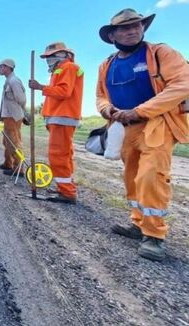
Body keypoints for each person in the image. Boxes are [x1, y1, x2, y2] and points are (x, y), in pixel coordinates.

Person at [96, 8, 189, 261]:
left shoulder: (161, 53)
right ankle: (138, 224)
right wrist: (109, 110)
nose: (132, 30)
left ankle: (155, 236)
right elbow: (101, 96)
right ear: (113, 34)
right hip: (124, 127)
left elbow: (181, 85)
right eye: (125, 28)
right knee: (132, 177)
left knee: (151, 176)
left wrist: (140, 111)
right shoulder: (107, 64)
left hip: (156, 123)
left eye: (137, 26)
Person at [29, 42, 84, 204]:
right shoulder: (60, 70)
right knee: (65, 155)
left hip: (63, 117)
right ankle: (64, 186)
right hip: (59, 117)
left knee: (58, 155)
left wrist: (40, 87)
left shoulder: (68, 68)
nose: (47, 60)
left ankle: (67, 193)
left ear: (61, 55)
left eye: (50, 57)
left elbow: (64, 92)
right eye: (46, 57)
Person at [0, 58, 27, 175]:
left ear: (8, 67)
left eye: (1, 67)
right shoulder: (9, 80)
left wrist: (18, 112)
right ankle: (8, 163)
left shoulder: (14, 81)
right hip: (9, 116)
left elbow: (22, 100)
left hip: (13, 117)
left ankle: (18, 169)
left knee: (14, 143)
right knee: (7, 141)